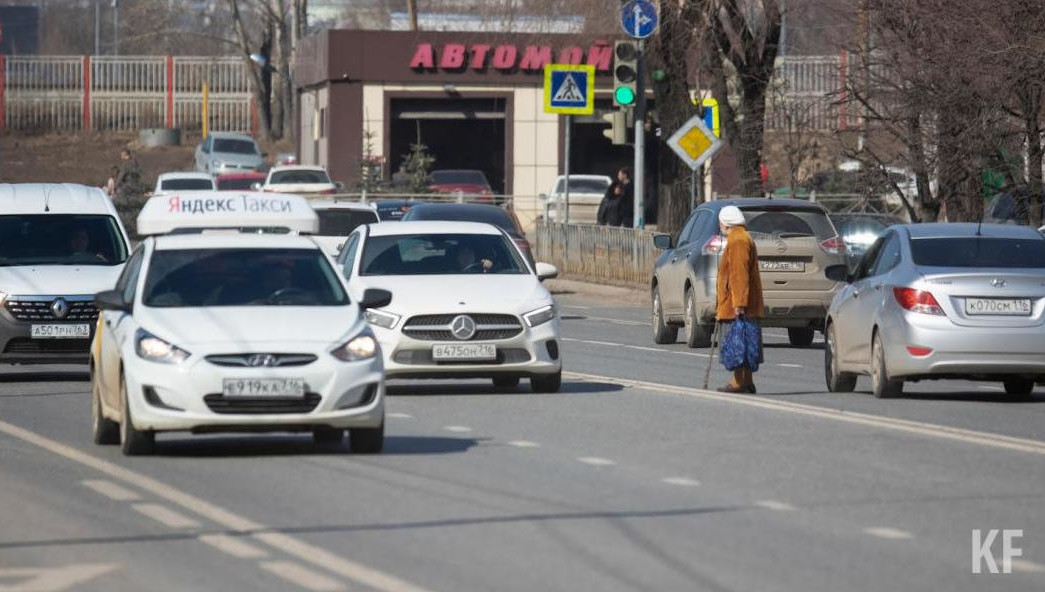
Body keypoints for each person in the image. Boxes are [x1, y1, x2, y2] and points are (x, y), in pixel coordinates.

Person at [715, 205, 765, 394]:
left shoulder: (737, 241)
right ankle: (747, 381)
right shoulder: (742, 237)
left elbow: (739, 274)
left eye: (720, 221)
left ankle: (738, 382)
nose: (719, 225)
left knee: (737, 342)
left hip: (737, 304)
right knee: (744, 341)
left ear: (726, 222)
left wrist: (739, 304)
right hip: (742, 303)